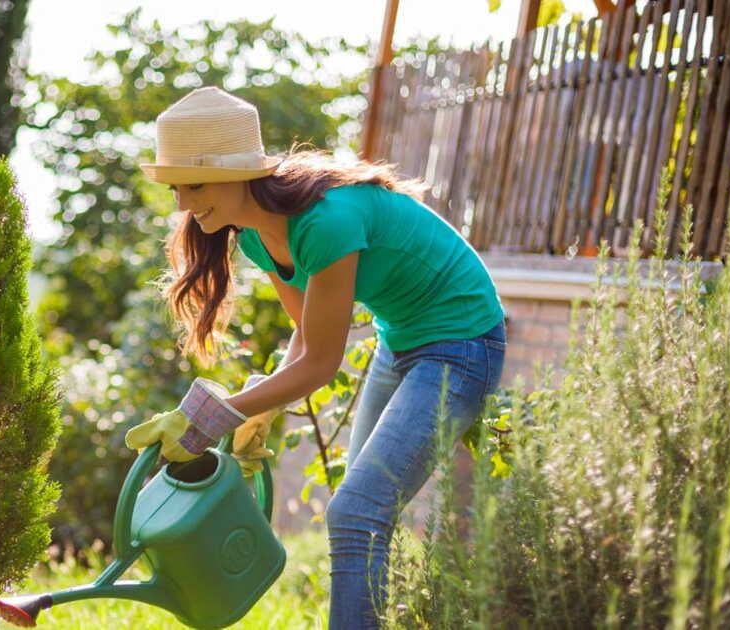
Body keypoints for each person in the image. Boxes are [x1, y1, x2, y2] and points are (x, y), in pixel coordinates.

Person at [122, 85, 507, 629]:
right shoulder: (256, 236)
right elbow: (306, 338)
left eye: (195, 184)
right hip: (400, 340)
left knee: (357, 512)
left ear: (239, 175)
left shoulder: (326, 221)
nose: (183, 203)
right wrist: (259, 407)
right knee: (365, 513)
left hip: (463, 343)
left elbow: (323, 363)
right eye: (177, 187)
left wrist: (215, 414)